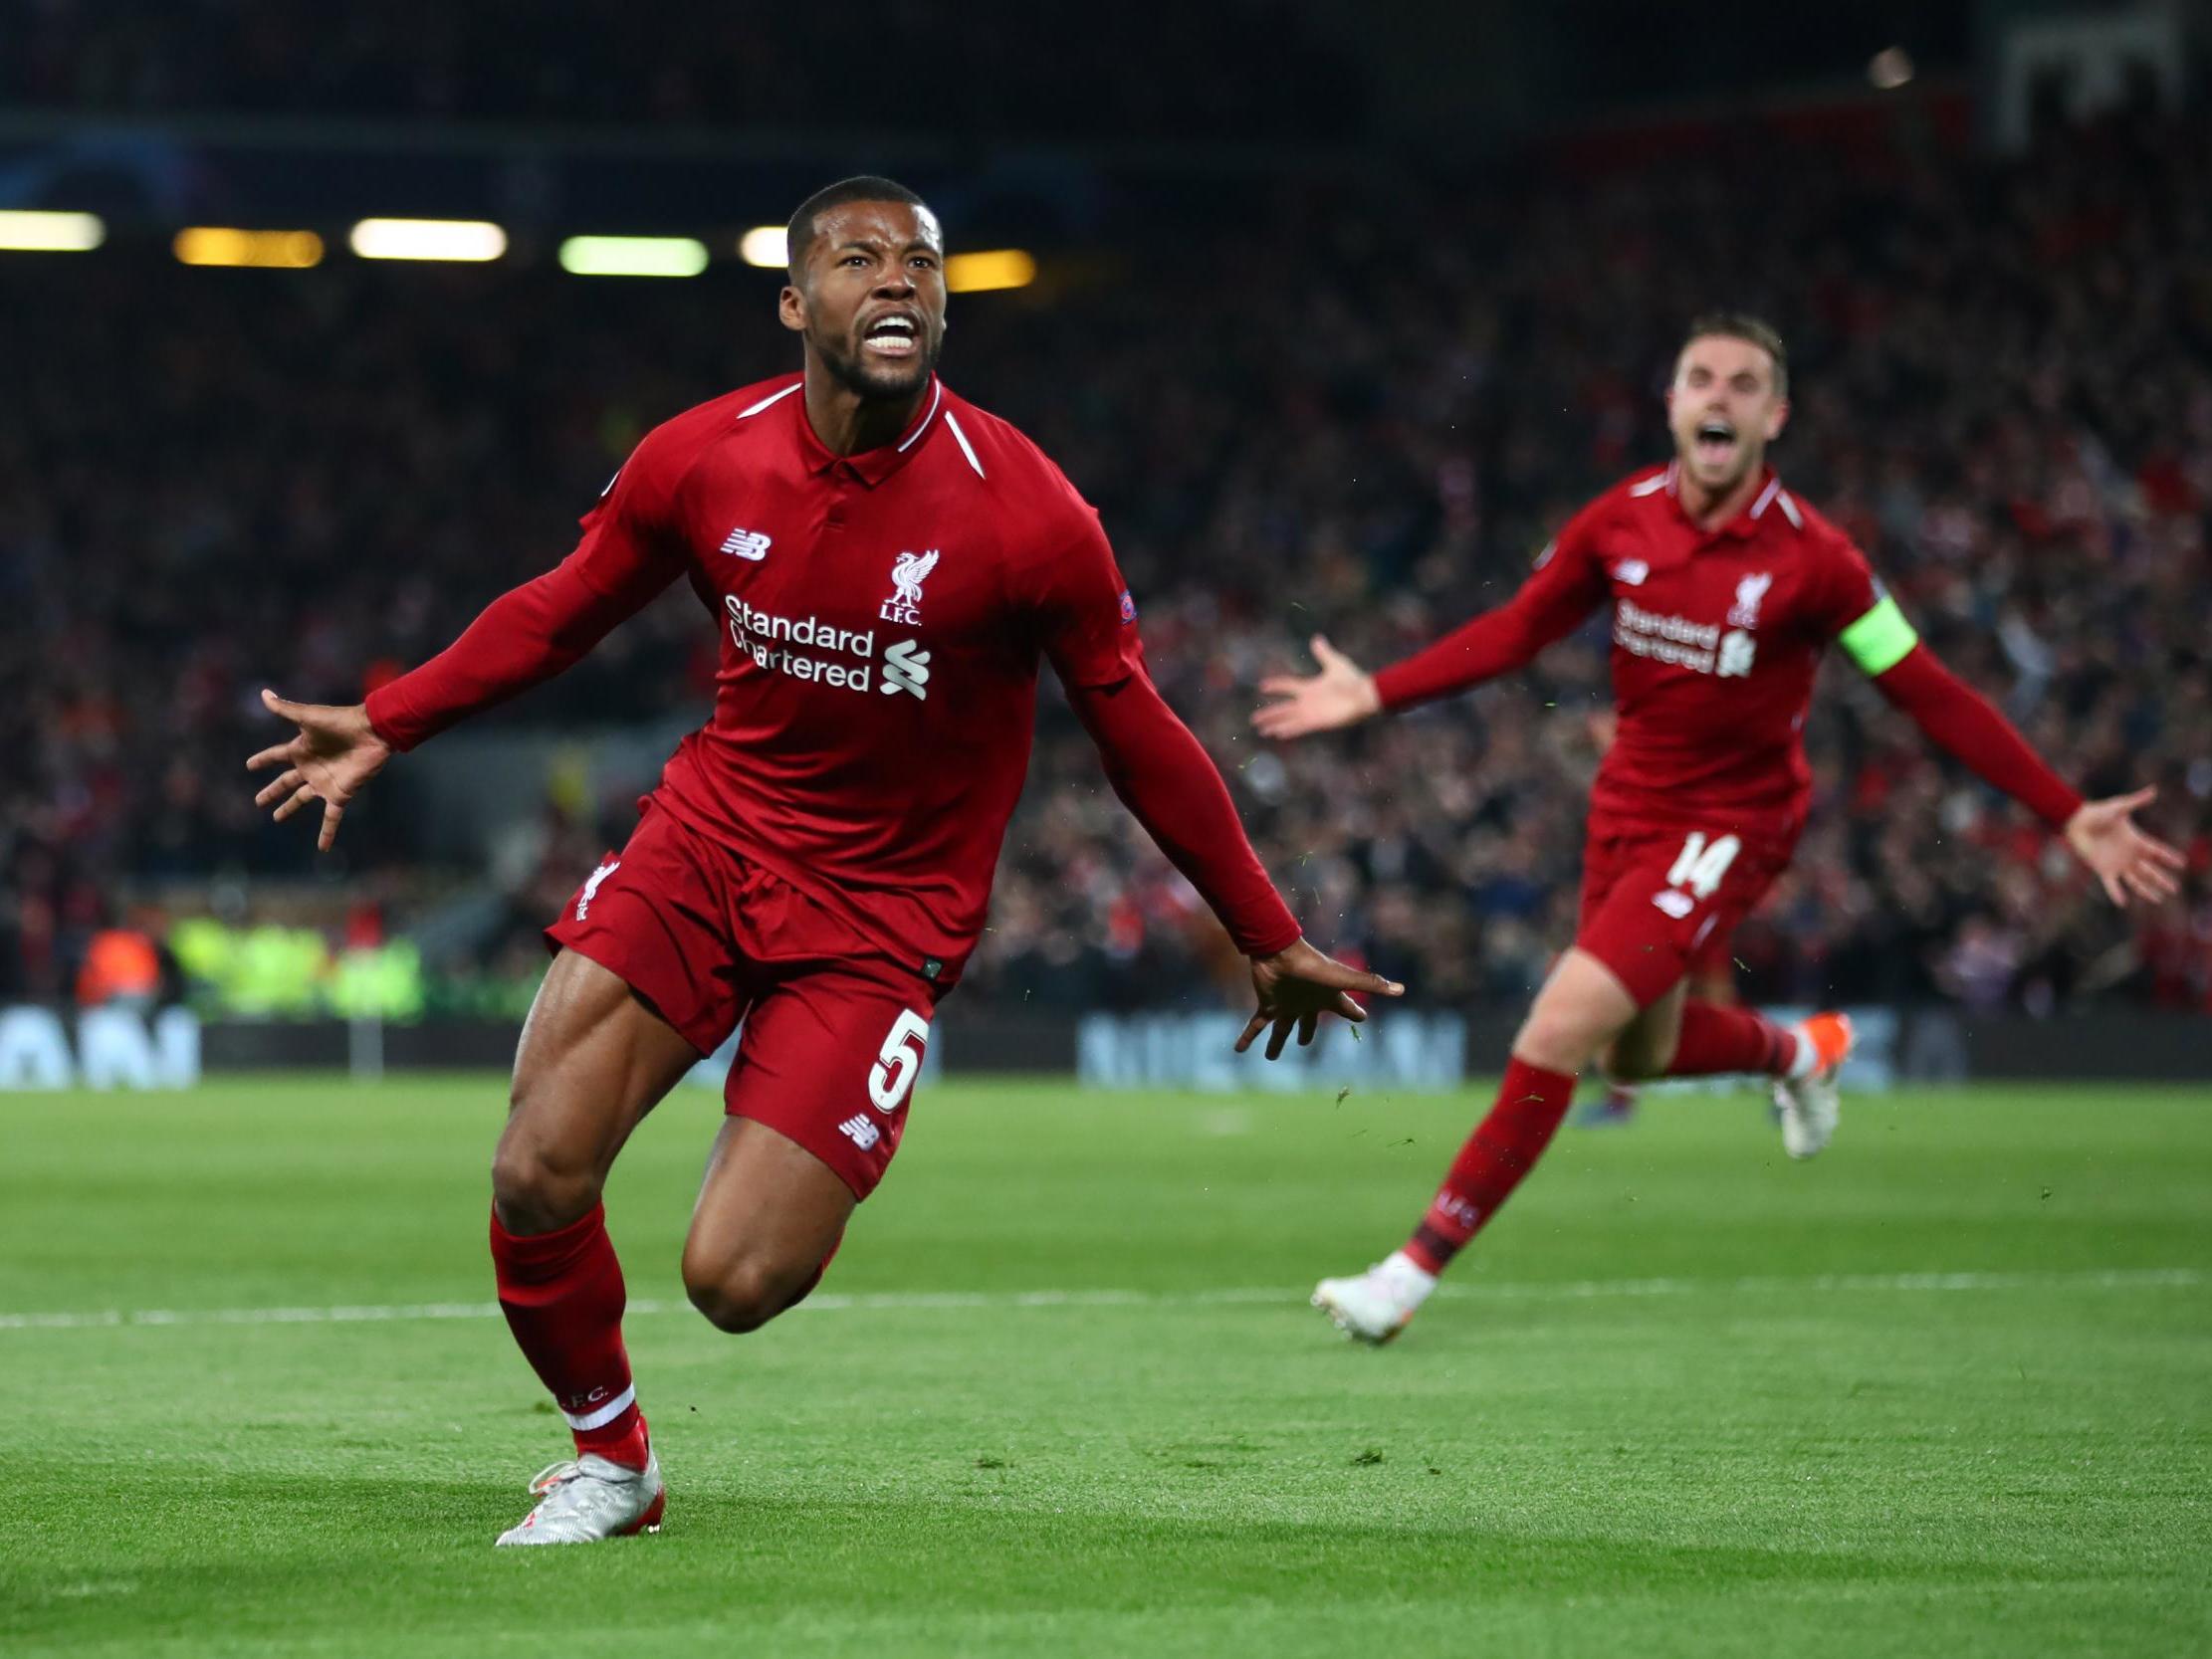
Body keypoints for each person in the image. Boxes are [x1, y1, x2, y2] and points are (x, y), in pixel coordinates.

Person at [248, 176, 1399, 1542]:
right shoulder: (704, 455)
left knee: (734, 1277)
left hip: (881, 914)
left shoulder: (1028, 513)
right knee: (533, 1168)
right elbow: (561, 611)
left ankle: (814, 1127)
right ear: (798, 303)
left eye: (922, 262)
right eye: (861, 260)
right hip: (710, 841)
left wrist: (1262, 927)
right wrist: (391, 716)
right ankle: (613, 1460)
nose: (898, 280)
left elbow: (1135, 730)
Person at [1253, 313, 2182, 1346]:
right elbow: (1518, 629)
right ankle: (1798, 1051)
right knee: (1634, 1062)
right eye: (1701, 378)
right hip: (1625, 813)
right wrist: (1376, 691)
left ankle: (1406, 1273)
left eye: (1744, 385)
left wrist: (2064, 811)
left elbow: (1925, 690)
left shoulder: (1815, 562)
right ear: (1671, 402)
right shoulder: (1619, 521)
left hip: (1728, 824)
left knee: (1553, 1029)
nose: (1719, 397)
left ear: (1772, 416)